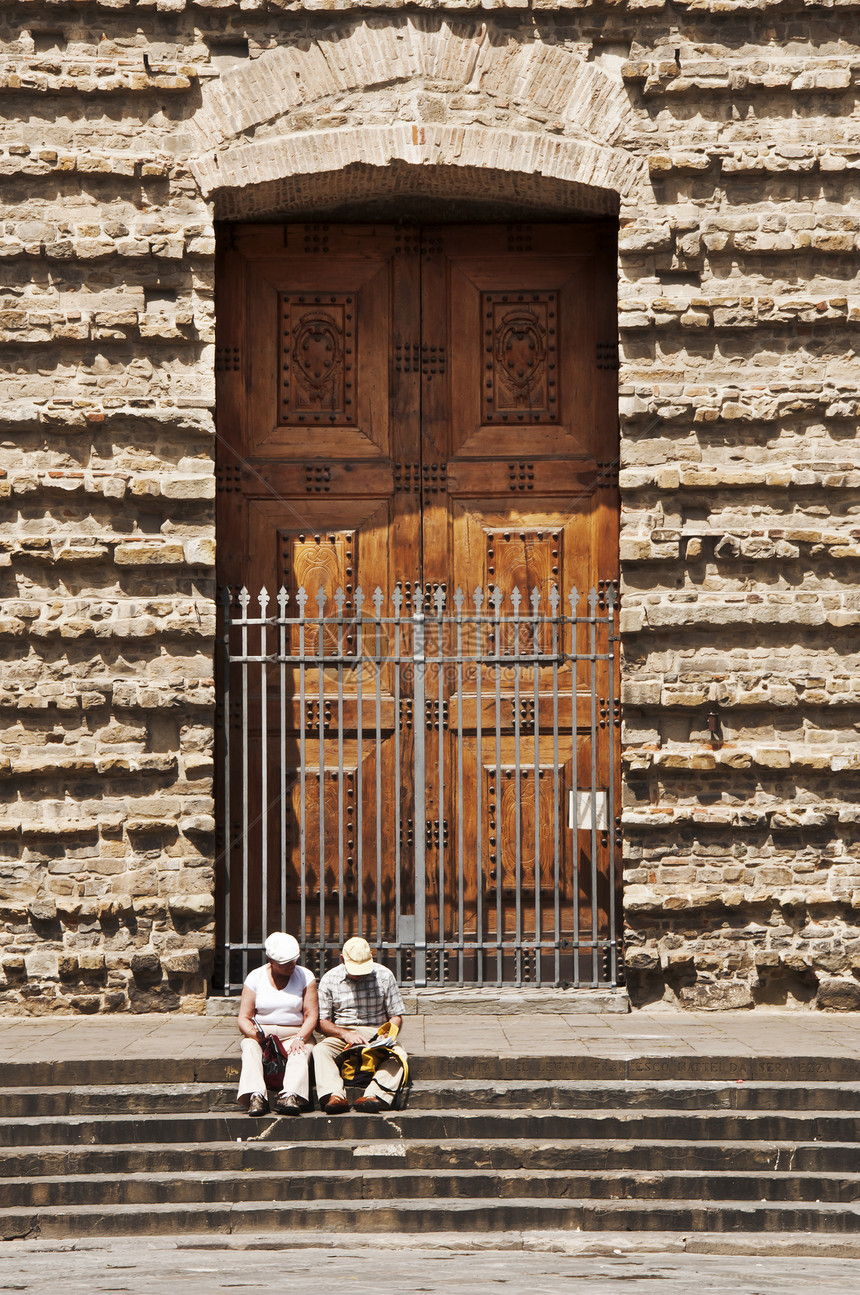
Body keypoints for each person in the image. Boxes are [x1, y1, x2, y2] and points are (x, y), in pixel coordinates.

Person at [312, 936, 406, 1114]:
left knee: (399, 1054)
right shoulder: (329, 979)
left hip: (376, 1032)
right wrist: (345, 1034)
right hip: (343, 1033)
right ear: (342, 959)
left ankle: (374, 1095)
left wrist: (386, 1032)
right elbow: (322, 1023)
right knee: (320, 1050)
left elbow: (396, 1016)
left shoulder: (384, 975)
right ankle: (335, 1094)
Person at [236, 931, 318, 1117]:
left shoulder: (305, 976)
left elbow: (311, 1014)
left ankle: (290, 1094)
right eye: (285, 962)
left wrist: (301, 1037)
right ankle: (256, 1095)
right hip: (263, 1033)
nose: (291, 965)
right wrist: (252, 1033)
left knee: (301, 1051)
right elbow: (244, 1016)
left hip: (295, 1031)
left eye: (293, 960)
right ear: (270, 960)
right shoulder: (255, 977)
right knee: (249, 1047)